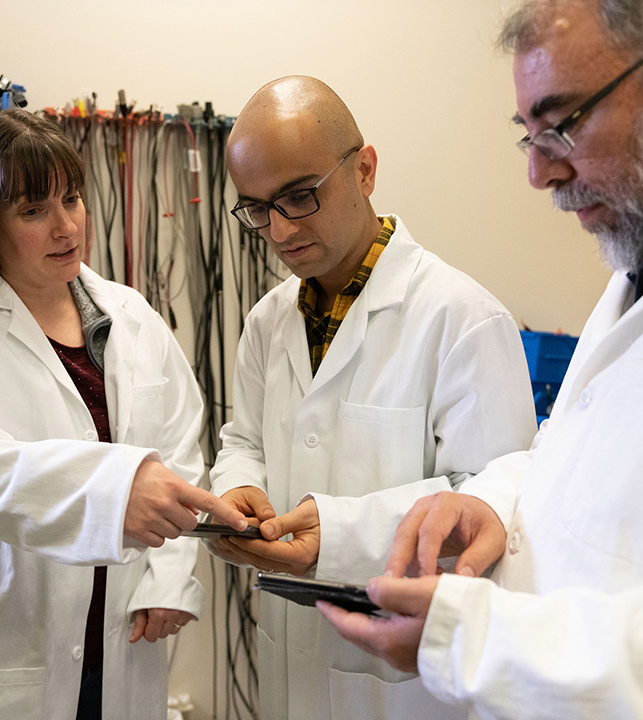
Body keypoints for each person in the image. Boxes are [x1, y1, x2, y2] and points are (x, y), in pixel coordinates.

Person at [320, 0, 643, 717]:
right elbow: (576, 453)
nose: (539, 174)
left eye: (562, 125)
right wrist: (489, 502)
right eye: (529, 136)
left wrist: (478, 640)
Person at [0, 109, 247, 720]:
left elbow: (178, 451)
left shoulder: (131, 316)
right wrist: (110, 491)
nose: (66, 227)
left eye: (72, 199)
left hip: (119, 644)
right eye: (33, 211)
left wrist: (169, 576)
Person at [207, 75, 537, 719]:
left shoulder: (461, 317)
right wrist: (235, 490)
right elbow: (243, 440)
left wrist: (337, 534)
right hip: (289, 655)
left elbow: (492, 503)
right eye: (254, 208)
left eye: (299, 196)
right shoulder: (268, 322)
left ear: (364, 170)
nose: (276, 229)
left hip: (404, 682)